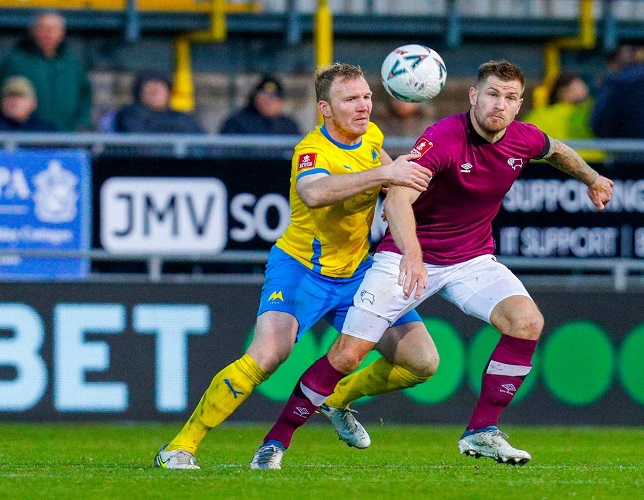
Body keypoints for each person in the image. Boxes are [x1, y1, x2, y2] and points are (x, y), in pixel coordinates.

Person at [251, 60, 614, 470]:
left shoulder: (523, 138)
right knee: (348, 354)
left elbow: (557, 150)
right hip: (407, 256)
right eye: (492, 94)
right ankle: (275, 441)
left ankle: (482, 430)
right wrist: (413, 254)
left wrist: (592, 179)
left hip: (472, 258)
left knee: (527, 322)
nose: (500, 104)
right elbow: (397, 198)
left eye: (510, 97)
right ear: (474, 96)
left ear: (519, 104)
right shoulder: (442, 138)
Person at [154, 63, 439, 469]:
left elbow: (393, 181)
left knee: (422, 361)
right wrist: (384, 173)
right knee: (268, 355)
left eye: (366, 97)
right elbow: (314, 192)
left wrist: (400, 191)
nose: (363, 106)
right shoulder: (312, 150)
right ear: (325, 108)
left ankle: (336, 400)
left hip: (356, 273)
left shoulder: (372, 137)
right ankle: (180, 447)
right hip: (301, 270)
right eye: (350, 99)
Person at [0, 11, 92, 131]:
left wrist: (81, 123)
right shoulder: (15, 61)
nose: (48, 33)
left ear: (62, 32)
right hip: (26, 135)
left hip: (66, 135)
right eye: (43, 28)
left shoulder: (72, 64)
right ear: (32, 31)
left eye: (53, 29)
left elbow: (85, 96)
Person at [522, 72, 602, 162]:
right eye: (573, 88)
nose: (582, 91)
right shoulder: (589, 112)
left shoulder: (590, 111)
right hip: (586, 161)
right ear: (561, 91)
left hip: (581, 161)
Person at [113, 70, 205, 133]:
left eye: (159, 89)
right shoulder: (131, 114)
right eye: (149, 89)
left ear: (168, 92)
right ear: (139, 93)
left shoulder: (182, 118)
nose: (155, 94)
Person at [219, 75, 301, 135]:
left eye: (274, 98)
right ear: (255, 98)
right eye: (264, 96)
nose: (269, 102)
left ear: (281, 102)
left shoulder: (288, 125)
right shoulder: (237, 122)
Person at [370, 95, 435, 137]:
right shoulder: (379, 125)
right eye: (397, 97)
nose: (401, 102)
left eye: (407, 97)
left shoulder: (430, 127)